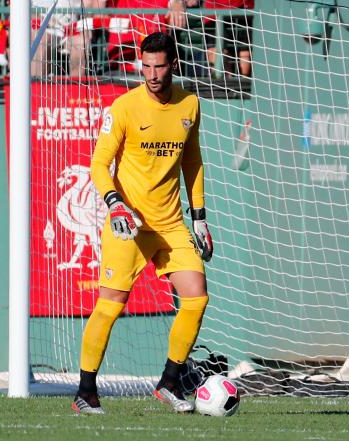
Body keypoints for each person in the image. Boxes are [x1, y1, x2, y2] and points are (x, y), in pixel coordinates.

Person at [72, 31, 213, 415]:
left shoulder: (189, 105)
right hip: (129, 224)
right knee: (110, 305)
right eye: (146, 66)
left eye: (159, 66)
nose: (151, 74)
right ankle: (85, 392)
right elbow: (99, 164)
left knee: (197, 296)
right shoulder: (124, 108)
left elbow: (192, 160)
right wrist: (116, 204)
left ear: (174, 65)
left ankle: (169, 383)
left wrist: (199, 217)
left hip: (170, 224)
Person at [202, 0, 254, 77]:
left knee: (244, 69)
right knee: (218, 66)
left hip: (244, 15)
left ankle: (241, 87)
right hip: (214, 17)